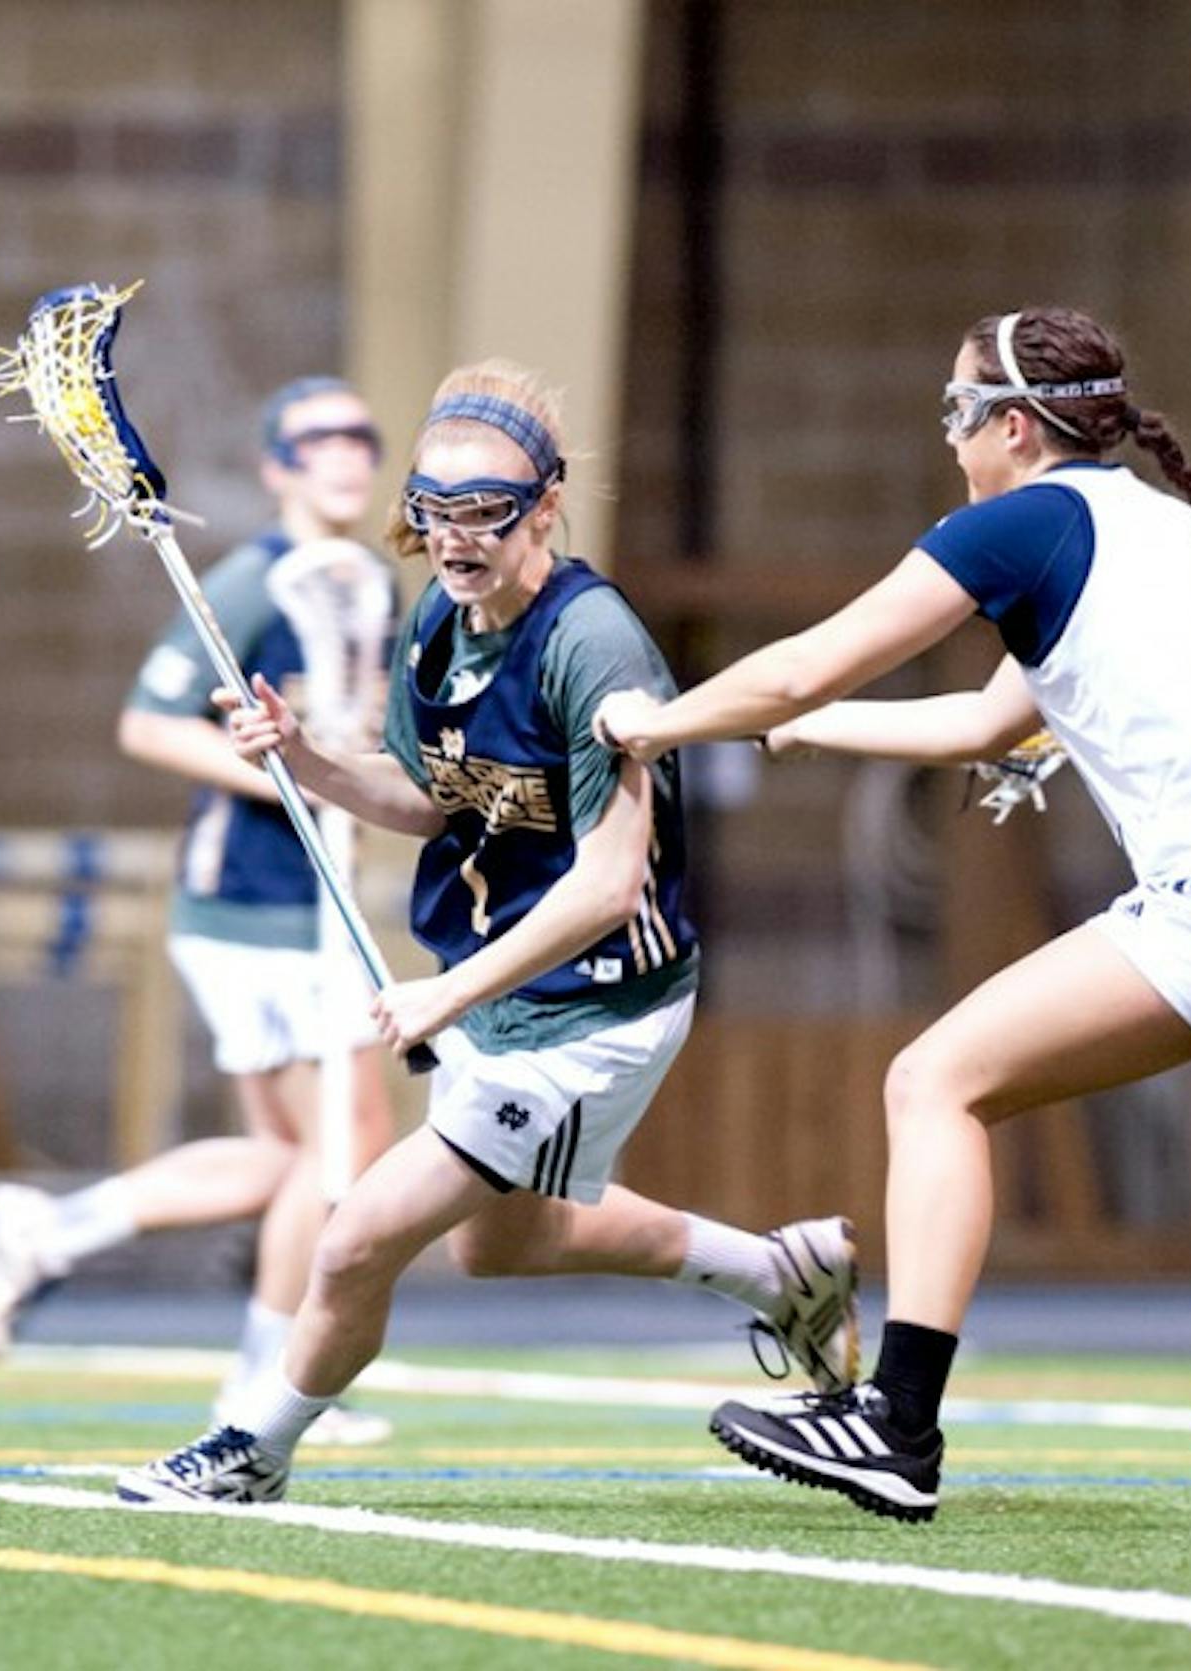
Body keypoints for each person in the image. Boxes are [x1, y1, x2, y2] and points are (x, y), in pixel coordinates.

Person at [592, 307, 1191, 1531]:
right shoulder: (1152, 522)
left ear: (1013, 427)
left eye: (956, 411)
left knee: (935, 1083)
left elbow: (801, 664)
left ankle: (897, 1425)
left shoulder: (1020, 523)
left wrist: (655, 723)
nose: (949, 439)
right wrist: (809, 733)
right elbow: (987, 724)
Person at [113, 359, 860, 1506]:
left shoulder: (589, 643)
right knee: (502, 1244)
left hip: (595, 1003)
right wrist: (306, 759)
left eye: (483, 512)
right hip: (503, 987)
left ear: (543, 507)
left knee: (356, 1236)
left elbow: (607, 887)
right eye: (433, 510)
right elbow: (425, 799)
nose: (454, 538)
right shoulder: (438, 620)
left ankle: (251, 1448)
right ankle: (778, 1274)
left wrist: (442, 996)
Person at [0, 376, 401, 1445]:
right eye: (319, 439)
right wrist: (289, 777)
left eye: (360, 436)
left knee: (290, 1164)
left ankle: (52, 1229)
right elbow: (150, 724)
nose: (346, 453)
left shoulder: (371, 581)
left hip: (316, 900)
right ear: (277, 466)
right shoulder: (251, 581)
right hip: (252, 901)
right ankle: (268, 1386)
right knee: (345, 1148)